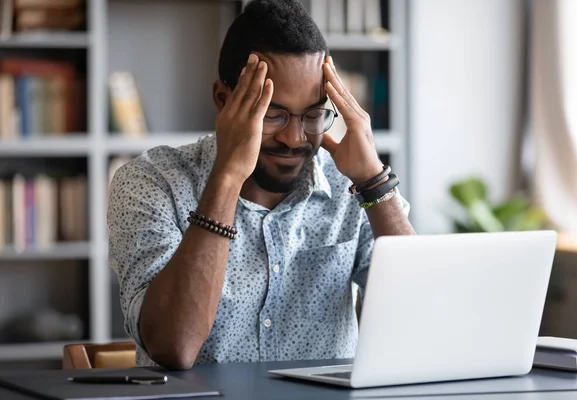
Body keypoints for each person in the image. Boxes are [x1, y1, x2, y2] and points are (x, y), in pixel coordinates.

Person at [108, 0, 415, 370]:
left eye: (314, 114)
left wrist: (373, 182)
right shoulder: (151, 182)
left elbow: (423, 318)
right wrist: (226, 178)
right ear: (224, 100)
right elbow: (174, 346)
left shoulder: (354, 188)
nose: (294, 137)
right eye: (273, 114)